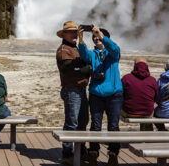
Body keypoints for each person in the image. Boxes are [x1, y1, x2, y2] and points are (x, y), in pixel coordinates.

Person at [78, 25, 123, 166]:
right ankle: (93, 152)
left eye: (99, 37)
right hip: (96, 94)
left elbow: (115, 49)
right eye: (95, 37)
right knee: (95, 125)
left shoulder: (113, 54)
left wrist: (101, 34)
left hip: (114, 94)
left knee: (113, 125)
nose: (97, 39)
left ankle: (113, 154)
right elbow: (84, 53)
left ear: (106, 38)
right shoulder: (93, 54)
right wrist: (80, 39)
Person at [56, 21, 91, 165]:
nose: (73, 34)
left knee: (83, 121)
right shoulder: (64, 49)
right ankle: (67, 154)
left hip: (81, 89)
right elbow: (67, 69)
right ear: (64, 34)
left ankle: (81, 150)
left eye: (75, 32)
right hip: (72, 90)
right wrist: (85, 69)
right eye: (70, 32)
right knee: (72, 122)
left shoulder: (75, 48)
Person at [121, 57, 158, 131]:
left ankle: (113, 132)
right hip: (147, 113)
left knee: (114, 109)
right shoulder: (152, 80)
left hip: (128, 112)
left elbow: (120, 95)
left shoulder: (126, 78)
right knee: (148, 113)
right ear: (146, 66)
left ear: (135, 66)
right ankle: (147, 137)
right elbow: (156, 97)